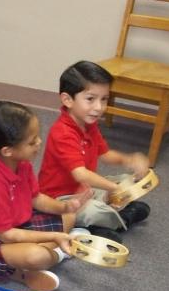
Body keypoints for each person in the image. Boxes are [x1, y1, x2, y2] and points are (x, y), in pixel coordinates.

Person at [0, 101, 89, 291]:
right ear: (7, 150)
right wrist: (54, 236)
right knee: (36, 256)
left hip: (15, 224)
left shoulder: (21, 162)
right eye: (32, 141)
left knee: (69, 218)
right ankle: (51, 256)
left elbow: (36, 198)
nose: (39, 143)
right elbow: (7, 235)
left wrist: (66, 207)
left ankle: (44, 254)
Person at [38, 61, 151, 243]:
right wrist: (115, 189)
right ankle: (112, 222)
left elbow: (105, 154)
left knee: (126, 179)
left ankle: (106, 217)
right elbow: (81, 174)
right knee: (95, 210)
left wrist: (129, 159)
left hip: (85, 189)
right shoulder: (62, 133)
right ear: (67, 100)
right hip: (60, 198)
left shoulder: (89, 124)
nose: (99, 107)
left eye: (104, 99)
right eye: (90, 99)